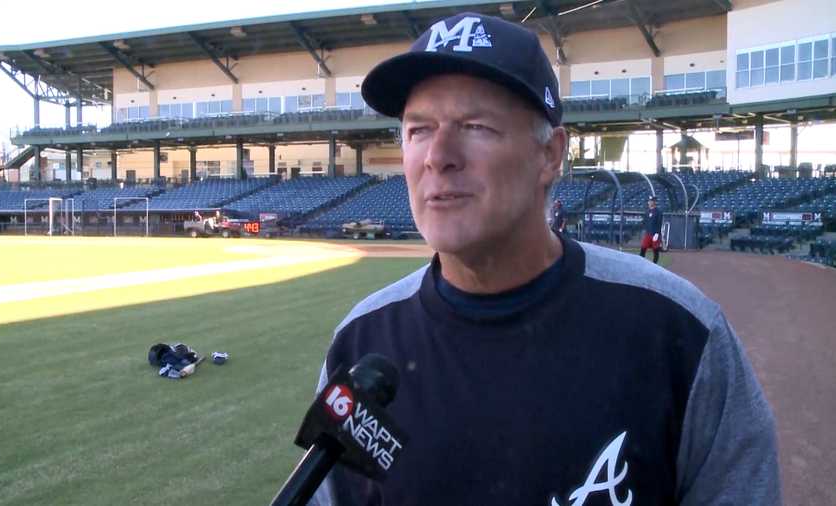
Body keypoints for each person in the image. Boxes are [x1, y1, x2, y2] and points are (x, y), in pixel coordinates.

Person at [309, 12, 780, 506]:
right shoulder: (359, 345)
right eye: (418, 130)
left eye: (475, 126)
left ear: (550, 155)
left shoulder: (677, 332)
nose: (438, 155)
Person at [640, 195, 663, 263]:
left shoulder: (658, 212)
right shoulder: (647, 212)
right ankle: (641, 263)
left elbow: (659, 223)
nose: (650, 202)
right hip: (648, 233)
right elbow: (645, 222)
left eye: (651, 201)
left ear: (654, 202)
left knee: (655, 250)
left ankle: (654, 265)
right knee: (643, 248)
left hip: (655, 234)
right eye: (649, 201)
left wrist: (657, 233)